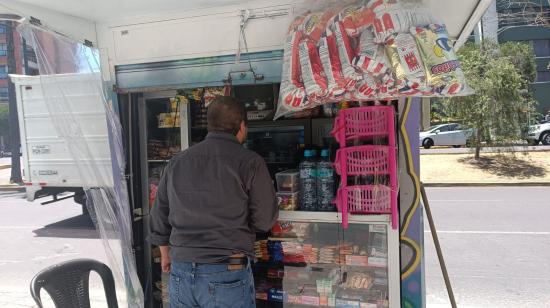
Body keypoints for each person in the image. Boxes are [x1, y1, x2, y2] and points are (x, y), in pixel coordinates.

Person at [149, 96, 278, 308]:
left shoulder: (177, 162)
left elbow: (159, 215)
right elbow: (264, 220)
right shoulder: (250, 162)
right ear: (242, 126)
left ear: (210, 125)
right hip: (228, 270)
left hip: (180, 270)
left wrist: (166, 255)